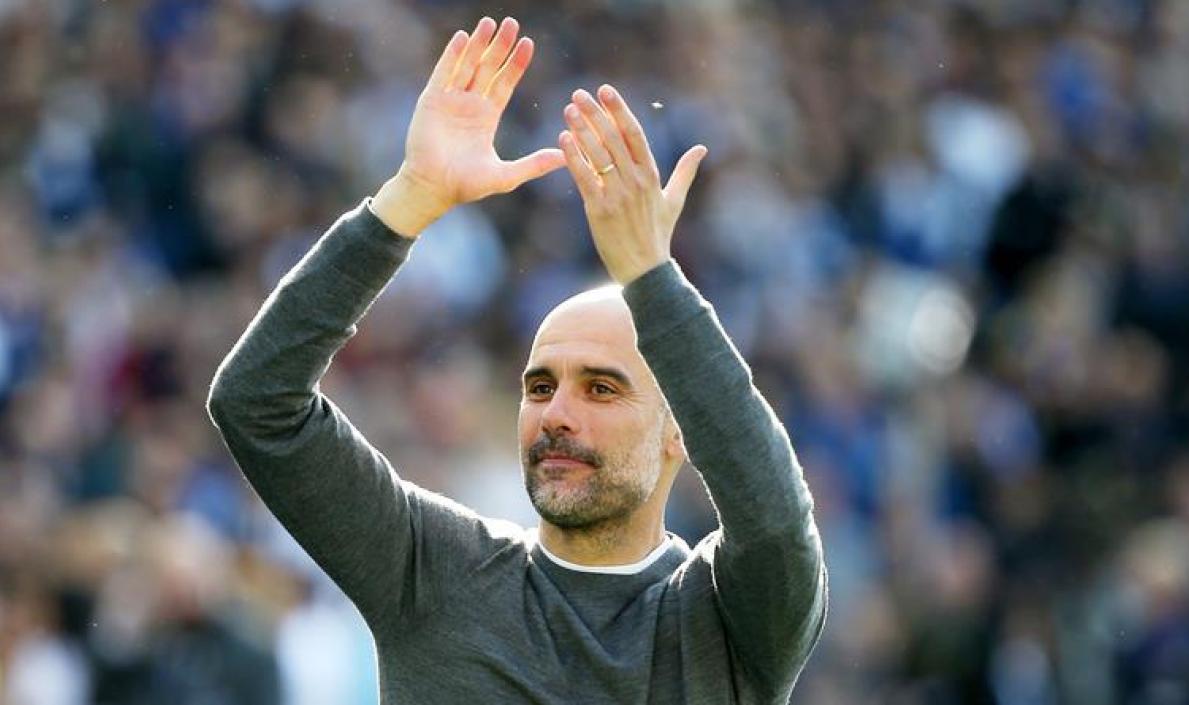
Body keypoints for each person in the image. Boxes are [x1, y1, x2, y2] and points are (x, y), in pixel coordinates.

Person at [207, 16, 826, 704]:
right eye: (539, 386)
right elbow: (257, 401)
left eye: (601, 389)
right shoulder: (431, 568)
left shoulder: (728, 620)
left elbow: (775, 521)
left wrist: (653, 279)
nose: (556, 414)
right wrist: (410, 198)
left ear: (684, 429)